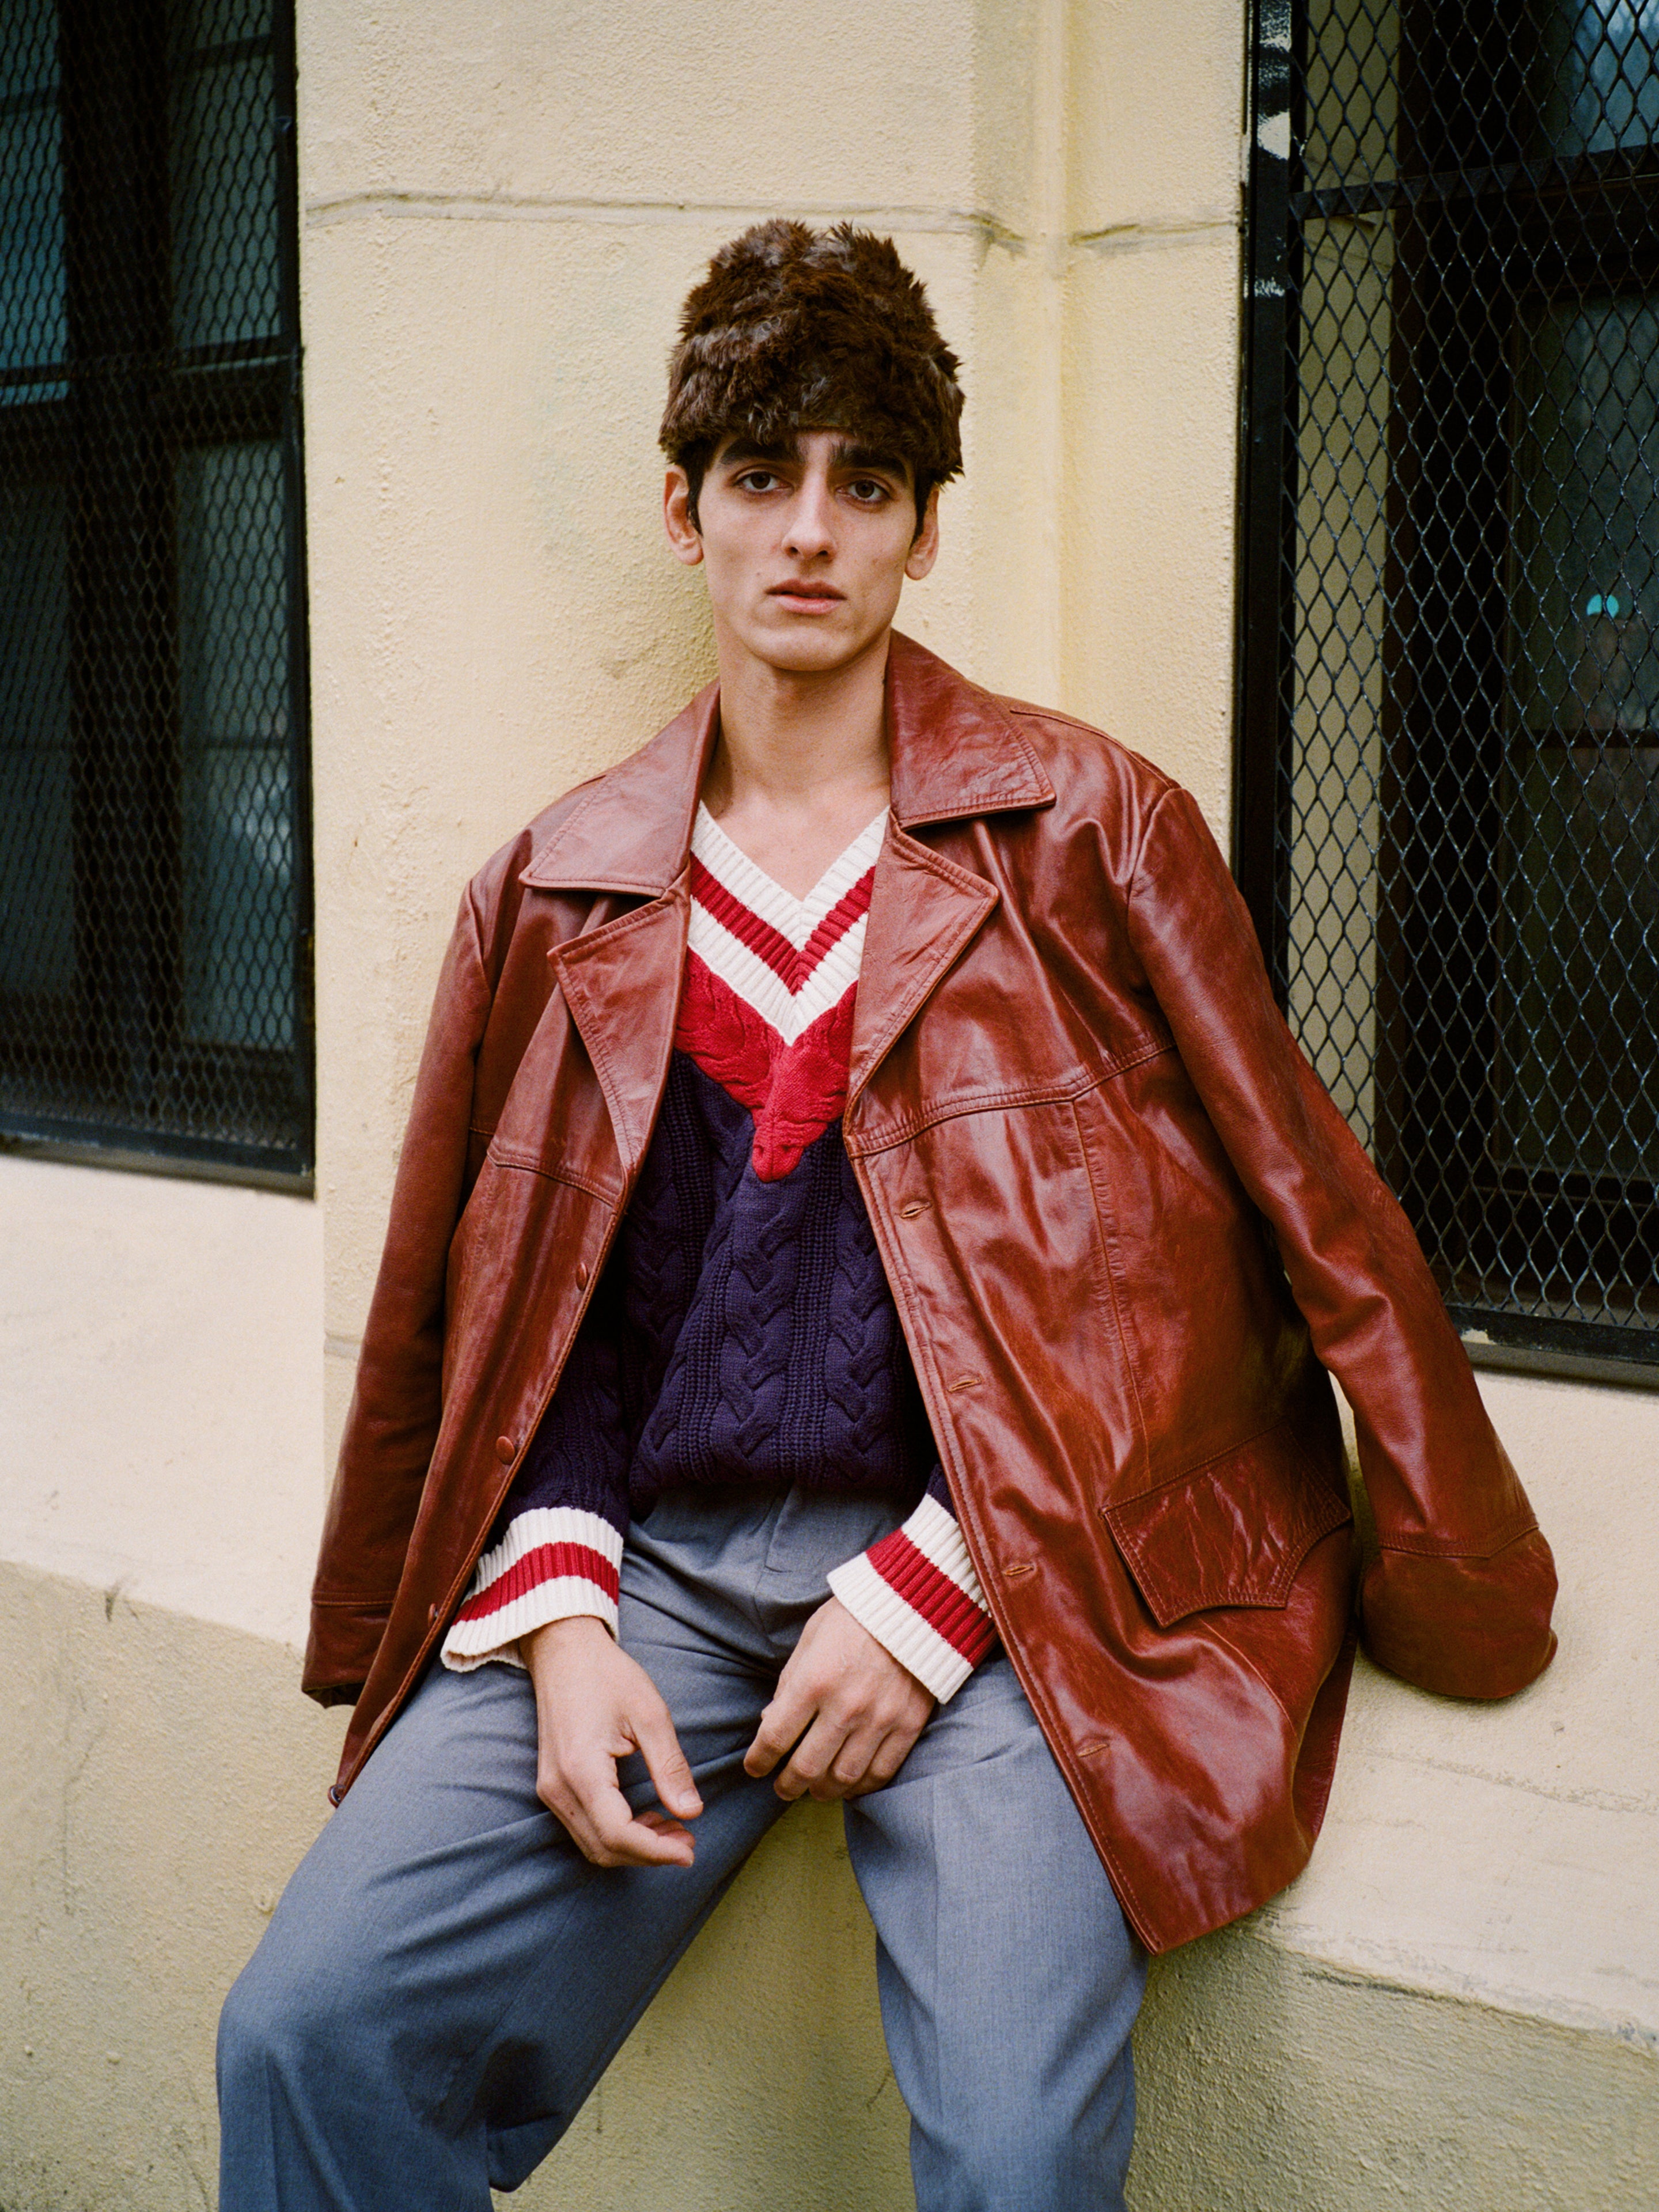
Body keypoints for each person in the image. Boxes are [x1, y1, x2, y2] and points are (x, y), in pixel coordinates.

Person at [217, 220, 1558, 2211]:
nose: (810, 531)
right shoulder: (564, 887)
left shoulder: (1091, 833)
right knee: (308, 2036)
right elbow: (529, 1313)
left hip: (1019, 1579)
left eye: (866, 480)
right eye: (762, 477)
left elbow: (1238, 1262)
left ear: (928, 524)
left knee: (1018, 2160)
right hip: (651, 1571)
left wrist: (940, 1590)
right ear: (685, 513)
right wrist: (565, 1612)